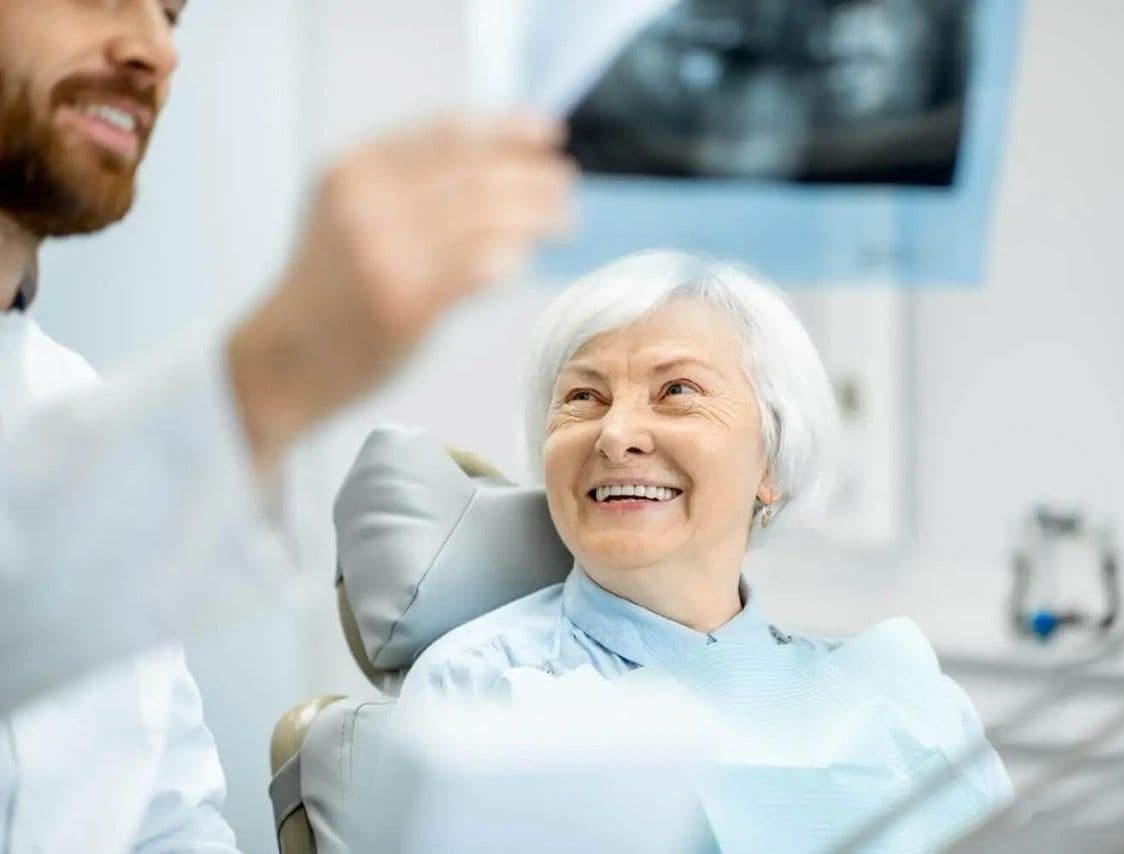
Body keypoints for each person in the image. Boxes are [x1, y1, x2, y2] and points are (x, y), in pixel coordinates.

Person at [0, 0, 573, 849]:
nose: (157, 50)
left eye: (172, 15)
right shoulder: (114, 454)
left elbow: (164, 819)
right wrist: (274, 370)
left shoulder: (63, 397)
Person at [399, 250, 1011, 850]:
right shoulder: (483, 687)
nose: (616, 435)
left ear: (771, 460)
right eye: (583, 397)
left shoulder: (900, 698)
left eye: (677, 390)